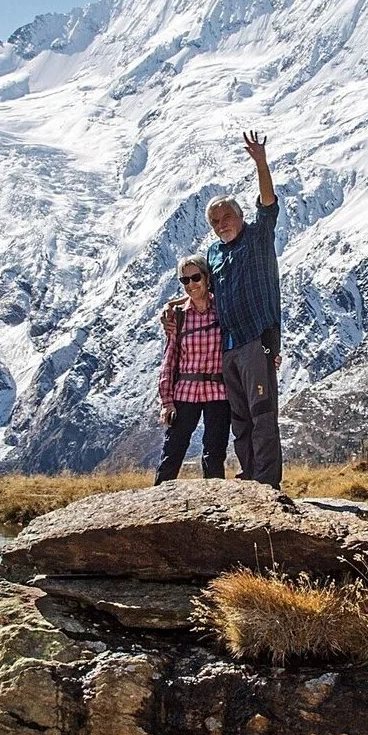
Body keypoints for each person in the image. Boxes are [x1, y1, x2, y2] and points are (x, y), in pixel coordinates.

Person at [204, 130, 282, 488]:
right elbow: (206, 292)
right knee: (240, 418)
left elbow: (267, 203)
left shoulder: (258, 235)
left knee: (262, 414)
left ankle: (268, 485)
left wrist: (261, 162)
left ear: (239, 215)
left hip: (257, 339)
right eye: (215, 222)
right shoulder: (214, 254)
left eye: (226, 217)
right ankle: (249, 478)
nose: (222, 225)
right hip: (229, 347)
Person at [153, 254, 231, 484]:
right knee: (173, 449)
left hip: (218, 391)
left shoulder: (223, 309)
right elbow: (170, 359)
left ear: (207, 278)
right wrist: (166, 401)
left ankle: (215, 506)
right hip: (185, 391)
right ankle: (158, 504)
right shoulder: (177, 317)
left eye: (195, 277)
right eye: (184, 280)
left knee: (214, 453)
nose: (191, 284)